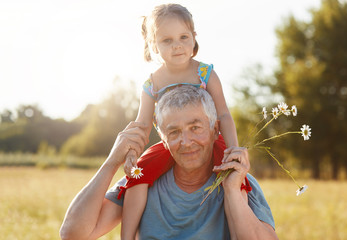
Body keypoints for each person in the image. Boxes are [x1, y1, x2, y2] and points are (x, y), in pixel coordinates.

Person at [60, 86, 278, 240]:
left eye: (195, 128)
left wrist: (231, 191)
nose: (186, 142)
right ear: (162, 138)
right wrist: (111, 162)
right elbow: (72, 234)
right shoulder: (143, 181)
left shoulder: (240, 182)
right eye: (174, 132)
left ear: (215, 130)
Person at [121, 4, 240, 238]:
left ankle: (237, 233)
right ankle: (128, 236)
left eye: (183, 37)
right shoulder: (152, 83)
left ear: (194, 38)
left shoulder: (204, 73)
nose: (177, 45)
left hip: (207, 141)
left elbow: (224, 114)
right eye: (167, 40)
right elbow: (143, 125)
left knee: (234, 178)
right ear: (154, 45)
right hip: (171, 145)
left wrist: (233, 148)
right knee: (138, 174)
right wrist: (132, 154)